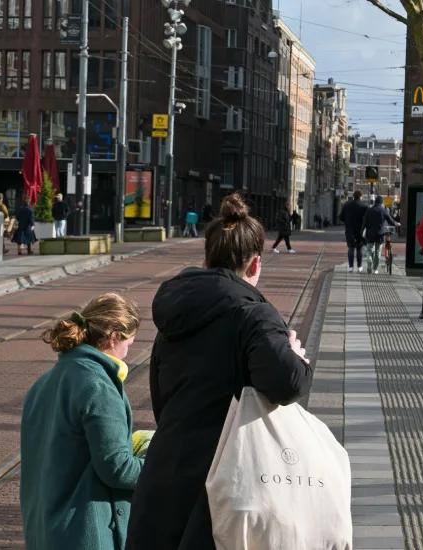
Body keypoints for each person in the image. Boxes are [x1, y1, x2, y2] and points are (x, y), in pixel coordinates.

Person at [125, 194, 313, 550]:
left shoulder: (174, 313)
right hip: (225, 480)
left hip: (165, 473)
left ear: (208, 258)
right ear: (255, 264)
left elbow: (161, 398)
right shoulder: (254, 315)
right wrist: (295, 356)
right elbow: (287, 382)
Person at [20, 293, 144, 550]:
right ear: (114, 337)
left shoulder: (42, 384)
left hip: (44, 531)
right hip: (86, 533)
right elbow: (117, 468)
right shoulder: (98, 385)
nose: (128, 352)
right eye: (129, 344)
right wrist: (158, 464)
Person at [363, 196, 399, 274]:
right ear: (381, 202)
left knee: (369, 250)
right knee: (378, 251)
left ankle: (369, 264)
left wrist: (361, 232)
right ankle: (375, 268)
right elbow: (391, 221)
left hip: (370, 234)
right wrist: (397, 224)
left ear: (375, 202)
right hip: (380, 234)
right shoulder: (383, 210)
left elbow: (364, 223)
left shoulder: (368, 210)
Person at [340, 190, 368, 273]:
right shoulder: (364, 207)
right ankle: (359, 266)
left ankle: (350, 266)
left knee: (351, 247)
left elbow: (341, 217)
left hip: (349, 230)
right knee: (359, 248)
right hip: (360, 230)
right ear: (360, 197)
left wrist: (347, 222)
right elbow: (366, 220)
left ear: (353, 196)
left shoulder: (346, 205)